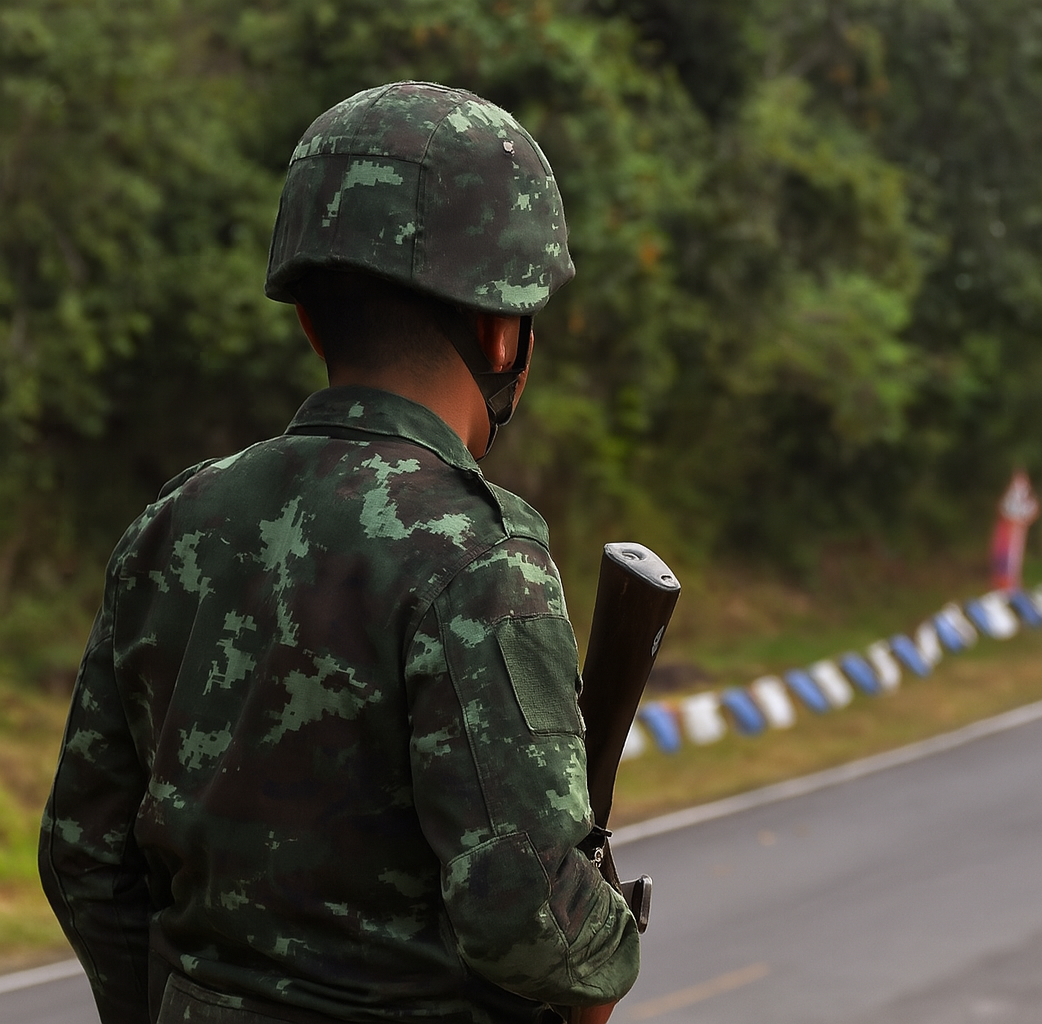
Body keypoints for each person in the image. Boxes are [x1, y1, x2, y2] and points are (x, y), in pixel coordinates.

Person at [37, 82, 639, 1024]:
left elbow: (83, 853)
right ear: (501, 330)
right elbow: (526, 917)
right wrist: (609, 943)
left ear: (310, 318)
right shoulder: (480, 557)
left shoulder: (176, 522)